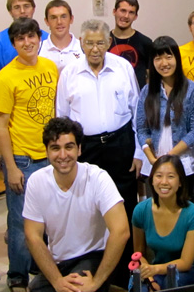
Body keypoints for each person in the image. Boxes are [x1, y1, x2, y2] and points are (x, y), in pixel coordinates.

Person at [56, 19, 142, 288]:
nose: (95, 48)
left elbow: (137, 112)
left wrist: (138, 151)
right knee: (88, 209)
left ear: (108, 43)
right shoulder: (69, 73)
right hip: (86, 149)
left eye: (100, 42)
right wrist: (68, 154)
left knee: (124, 206)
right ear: (81, 43)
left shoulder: (123, 68)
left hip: (120, 144)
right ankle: (90, 268)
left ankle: (126, 273)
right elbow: (62, 117)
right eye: (89, 42)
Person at [24, 117, 130, 292]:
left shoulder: (97, 178)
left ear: (79, 149)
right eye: (55, 148)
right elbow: (32, 236)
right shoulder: (37, 181)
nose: (63, 155)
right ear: (47, 151)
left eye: (69, 147)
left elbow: (121, 231)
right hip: (59, 261)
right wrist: (57, 281)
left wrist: (96, 282)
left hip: (93, 255)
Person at [0, 17, 59, 291]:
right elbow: (0, 126)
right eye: (20, 39)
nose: (27, 43)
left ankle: (38, 265)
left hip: (51, 158)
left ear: (39, 38)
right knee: (20, 222)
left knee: (48, 219)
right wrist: (11, 167)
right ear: (14, 44)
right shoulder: (5, 77)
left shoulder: (50, 66)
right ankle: (17, 274)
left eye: (31, 37)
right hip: (23, 159)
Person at [136, 36, 194, 204]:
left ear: (177, 58)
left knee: (185, 211)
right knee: (156, 210)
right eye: (158, 58)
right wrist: (153, 160)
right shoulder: (147, 92)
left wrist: (169, 158)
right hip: (154, 166)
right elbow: (141, 129)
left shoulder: (193, 90)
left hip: (184, 164)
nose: (164, 63)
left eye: (169, 57)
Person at [132, 155, 194, 290]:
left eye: (171, 177)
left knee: (171, 282)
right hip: (156, 270)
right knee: (138, 285)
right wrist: (150, 279)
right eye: (159, 176)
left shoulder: (193, 214)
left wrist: (155, 270)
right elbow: (139, 254)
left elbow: (185, 262)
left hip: (189, 271)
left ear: (180, 182)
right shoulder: (141, 210)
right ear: (152, 180)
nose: (164, 182)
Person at [0, 0, 49, 95]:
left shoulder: (47, 38)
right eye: (17, 7)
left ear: (33, 9)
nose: (22, 11)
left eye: (26, 6)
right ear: (10, 11)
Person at [109, 0, 153, 89]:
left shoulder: (146, 43)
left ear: (135, 16)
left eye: (131, 12)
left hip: (137, 99)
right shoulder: (104, 42)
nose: (126, 16)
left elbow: (151, 76)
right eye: (123, 11)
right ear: (114, 11)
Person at [39, 0, 83, 73]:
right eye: (53, 18)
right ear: (46, 21)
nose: (59, 22)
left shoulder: (83, 49)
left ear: (71, 19)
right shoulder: (38, 50)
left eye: (63, 16)